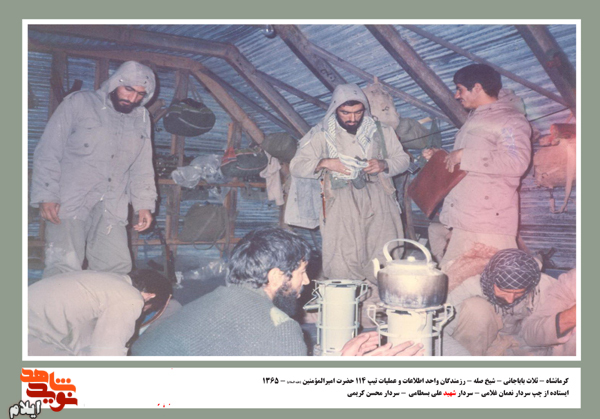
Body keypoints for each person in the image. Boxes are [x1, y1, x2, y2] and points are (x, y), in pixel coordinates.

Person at [131, 227, 423, 357]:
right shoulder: (278, 328)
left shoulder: (212, 302)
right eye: (301, 272)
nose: (306, 282)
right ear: (275, 277)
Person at [30, 61, 158, 278]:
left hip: (112, 204)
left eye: (140, 94)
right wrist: (46, 194)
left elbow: (142, 165)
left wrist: (144, 204)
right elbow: (48, 150)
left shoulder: (142, 117)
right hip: (69, 201)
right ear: (115, 83)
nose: (132, 98)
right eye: (128, 89)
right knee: (63, 268)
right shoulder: (79, 103)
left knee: (115, 268)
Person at [286, 84, 409, 284]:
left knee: (384, 251)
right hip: (339, 199)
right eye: (345, 113)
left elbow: (403, 160)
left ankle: (379, 297)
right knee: (342, 255)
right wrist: (325, 163)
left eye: (358, 112)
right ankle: (346, 296)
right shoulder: (321, 133)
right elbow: (296, 166)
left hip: (379, 196)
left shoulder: (382, 131)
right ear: (335, 109)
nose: (352, 118)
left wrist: (384, 164)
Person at [422, 64, 534, 270]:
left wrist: (463, 155)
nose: (456, 95)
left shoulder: (509, 120)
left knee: (492, 283)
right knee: (452, 280)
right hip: (465, 220)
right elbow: (472, 165)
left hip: (489, 225)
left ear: (477, 88)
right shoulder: (475, 118)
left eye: (460, 89)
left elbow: (516, 162)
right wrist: (443, 157)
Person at [445, 249, 576, 356]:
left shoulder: (545, 287)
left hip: (522, 344)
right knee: (476, 308)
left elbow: (541, 334)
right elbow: (441, 330)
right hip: (481, 341)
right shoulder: (467, 285)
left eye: (518, 293)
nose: (510, 299)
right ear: (491, 280)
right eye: (504, 291)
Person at [28, 269, 172, 356]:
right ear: (150, 296)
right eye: (146, 309)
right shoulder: (130, 298)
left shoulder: (108, 280)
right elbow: (107, 355)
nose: (141, 312)